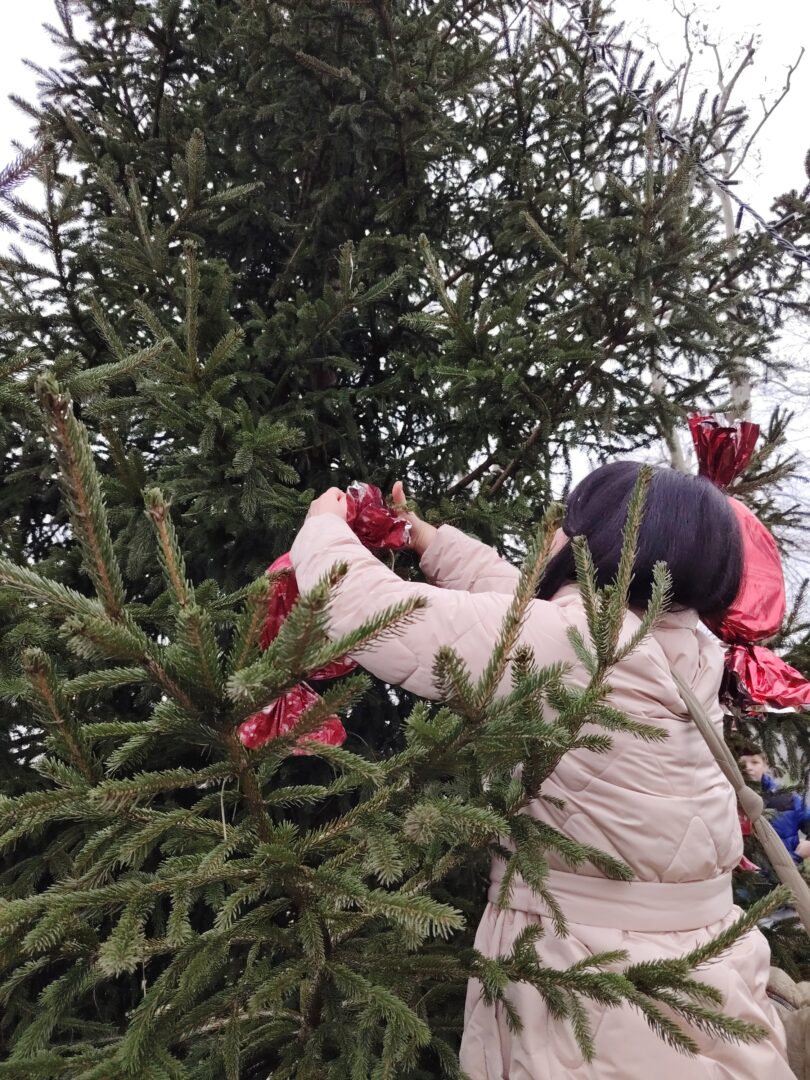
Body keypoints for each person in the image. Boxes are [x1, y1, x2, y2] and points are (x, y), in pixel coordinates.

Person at [289, 461, 791, 1078]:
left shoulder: (574, 642)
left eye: (570, 520)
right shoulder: (687, 643)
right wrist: (433, 543)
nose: (552, 532)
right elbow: (522, 609)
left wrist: (323, 527)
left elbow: (374, 611)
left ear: (604, 542)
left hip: (586, 968)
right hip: (701, 957)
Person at [739, 744, 810, 863]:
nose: (748, 767)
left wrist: (802, 851)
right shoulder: (727, 798)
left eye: (755, 762)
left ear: (765, 765)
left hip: (786, 871)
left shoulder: (787, 798)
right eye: (742, 763)